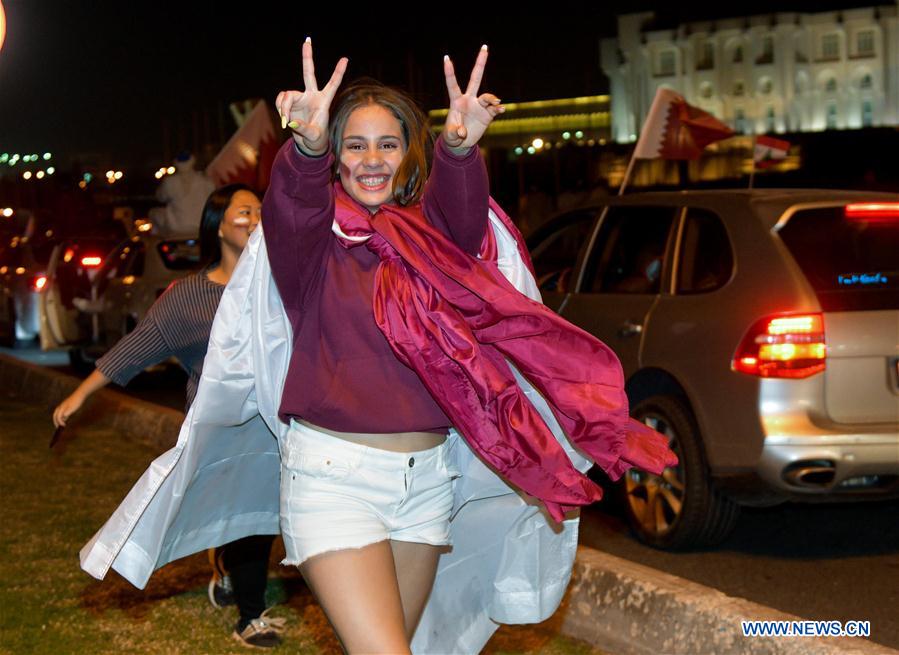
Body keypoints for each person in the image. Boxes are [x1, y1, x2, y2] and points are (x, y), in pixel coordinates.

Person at [262, 39, 677, 654]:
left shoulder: (432, 248)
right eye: (354, 145)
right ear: (337, 160)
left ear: (407, 156)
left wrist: (459, 148)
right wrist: (307, 145)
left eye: (388, 144)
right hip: (333, 481)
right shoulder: (313, 246)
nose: (372, 160)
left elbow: (460, 217)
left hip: (426, 486)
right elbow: (292, 202)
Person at [53, 185, 284, 649]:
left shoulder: (281, 287)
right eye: (245, 211)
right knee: (251, 521)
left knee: (266, 515)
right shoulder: (190, 297)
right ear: (218, 224)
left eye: (261, 210)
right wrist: (79, 396)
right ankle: (251, 617)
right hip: (218, 429)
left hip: (276, 424)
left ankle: (228, 572)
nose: (256, 218)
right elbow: (136, 348)